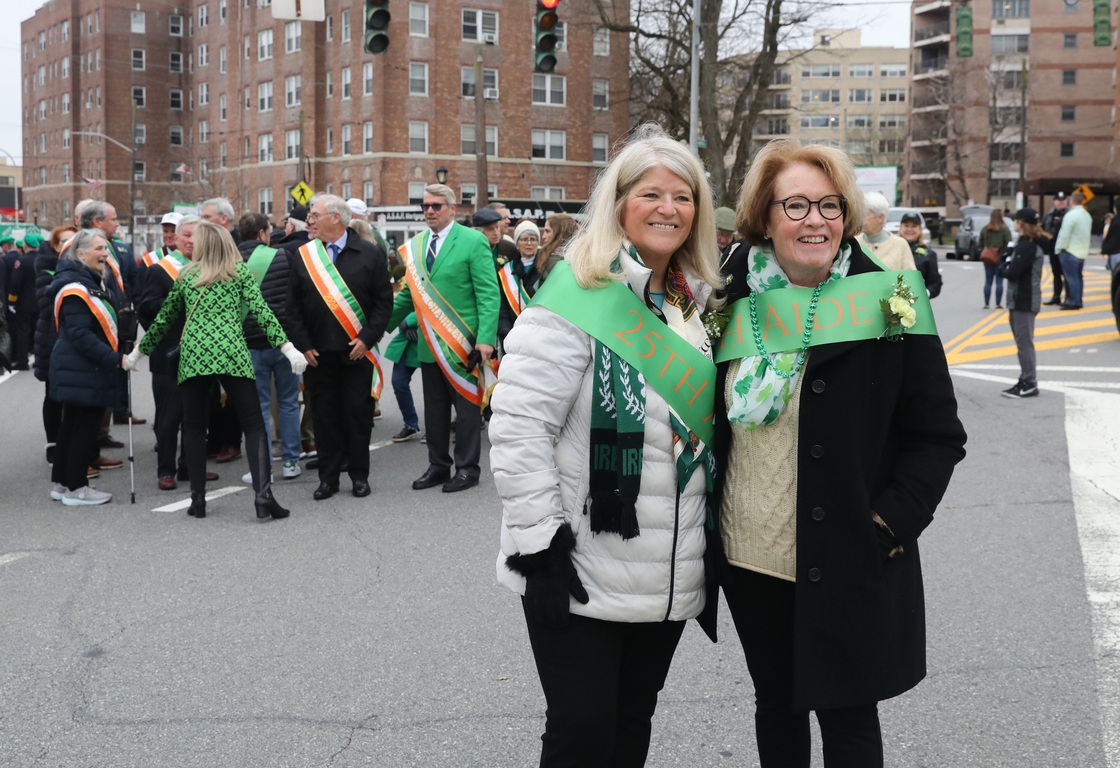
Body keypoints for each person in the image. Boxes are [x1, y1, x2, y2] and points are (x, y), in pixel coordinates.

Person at [714, 139, 967, 766]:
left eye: (829, 205)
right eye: (794, 205)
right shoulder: (724, 296)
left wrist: (886, 524)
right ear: (764, 218)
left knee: (850, 716)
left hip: (851, 549)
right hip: (749, 555)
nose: (815, 220)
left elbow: (938, 435)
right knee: (776, 704)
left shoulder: (892, 295)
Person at [490, 124, 723, 766]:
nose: (669, 209)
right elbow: (517, 426)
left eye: (683, 197)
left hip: (665, 571)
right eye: (652, 194)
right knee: (581, 736)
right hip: (580, 565)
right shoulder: (577, 295)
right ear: (618, 203)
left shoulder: (691, 305)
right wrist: (541, 546)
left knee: (630, 728)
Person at [127, 222, 306, 520]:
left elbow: (163, 321)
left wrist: (137, 353)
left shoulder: (186, 276)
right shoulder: (238, 274)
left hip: (195, 356)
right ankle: (263, 497)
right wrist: (287, 347)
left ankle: (198, 501)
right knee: (253, 425)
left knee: (195, 427)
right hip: (232, 353)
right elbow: (263, 313)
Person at [387, 183, 501, 493]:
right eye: (425, 206)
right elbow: (410, 294)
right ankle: (438, 466)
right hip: (429, 346)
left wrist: (485, 339)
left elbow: (489, 293)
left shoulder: (473, 241)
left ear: (452, 209)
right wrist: (375, 325)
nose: (429, 211)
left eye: (436, 206)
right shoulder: (417, 245)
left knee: (465, 412)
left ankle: (467, 469)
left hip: (463, 344)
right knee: (435, 412)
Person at [286, 194, 394, 500]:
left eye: (315, 216)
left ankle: (359, 476)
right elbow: (291, 308)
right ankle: (328, 479)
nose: (310, 221)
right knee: (323, 416)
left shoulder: (369, 254)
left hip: (356, 352)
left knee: (357, 416)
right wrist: (303, 345)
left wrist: (367, 339)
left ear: (336, 218)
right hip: (318, 354)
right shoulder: (304, 255)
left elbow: (383, 304)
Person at [47, 229, 127, 506]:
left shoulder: (86, 280)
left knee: (71, 425)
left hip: (81, 369)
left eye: (105, 248)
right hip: (83, 368)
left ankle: (62, 483)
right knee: (82, 428)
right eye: (98, 248)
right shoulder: (75, 288)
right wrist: (115, 359)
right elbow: (81, 335)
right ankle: (77, 487)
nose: (105, 253)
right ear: (80, 254)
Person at [237, 212, 303, 481]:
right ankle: (290, 462)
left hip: (248, 343)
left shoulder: (230, 262)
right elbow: (294, 297)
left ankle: (263, 467)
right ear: (263, 233)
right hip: (283, 341)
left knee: (259, 406)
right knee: (288, 403)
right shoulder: (282, 257)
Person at [34, 225, 79, 468]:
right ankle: (53, 445)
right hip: (51, 340)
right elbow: (45, 302)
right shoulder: (46, 268)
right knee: (53, 396)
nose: (68, 246)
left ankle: (74, 446)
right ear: (55, 246)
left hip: (72, 340)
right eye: (64, 242)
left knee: (73, 397)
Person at [998, 208, 1048, 399]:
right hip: (1019, 298)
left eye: (1016, 221)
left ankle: (1029, 382)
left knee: (1024, 342)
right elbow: (1007, 262)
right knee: (1022, 342)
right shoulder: (1024, 243)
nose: (1014, 223)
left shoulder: (1027, 246)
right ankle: (1025, 378)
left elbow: (1011, 271)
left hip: (1024, 299)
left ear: (1021, 223)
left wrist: (1003, 266)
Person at [497, 220, 543, 347]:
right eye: (524, 239)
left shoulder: (546, 268)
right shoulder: (505, 272)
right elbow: (502, 307)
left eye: (533, 239)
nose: (529, 243)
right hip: (513, 335)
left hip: (541, 335)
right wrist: (505, 331)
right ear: (517, 243)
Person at [856, 192, 916, 271]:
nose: (861, 218)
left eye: (866, 214)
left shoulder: (900, 244)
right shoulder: (854, 243)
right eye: (860, 214)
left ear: (880, 217)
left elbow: (910, 278)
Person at [1054, 190, 1092, 311]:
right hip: (1082, 251)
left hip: (1070, 250)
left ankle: (1073, 301)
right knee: (1078, 277)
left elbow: (1064, 234)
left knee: (1071, 277)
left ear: (1071, 201)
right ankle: (1078, 300)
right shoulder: (1087, 215)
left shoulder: (1071, 215)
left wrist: (1060, 248)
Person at [898, 212, 942, 298]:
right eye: (906, 225)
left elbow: (935, 283)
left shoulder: (928, 254)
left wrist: (925, 293)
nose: (909, 229)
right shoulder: (892, 249)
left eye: (914, 226)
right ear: (900, 228)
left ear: (920, 229)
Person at [979, 209, 1012, 309]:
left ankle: (987, 303)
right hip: (999, 256)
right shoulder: (1004, 229)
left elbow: (980, 241)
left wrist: (986, 248)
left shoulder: (985, 229)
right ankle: (998, 303)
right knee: (999, 280)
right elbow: (1009, 243)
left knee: (988, 280)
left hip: (987, 256)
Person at [1042, 191, 1069, 305]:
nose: (1061, 202)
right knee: (1056, 273)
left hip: (1065, 247)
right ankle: (1056, 296)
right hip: (1053, 247)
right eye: (1059, 200)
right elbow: (1044, 228)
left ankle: (1068, 297)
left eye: (1063, 200)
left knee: (1066, 274)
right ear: (1054, 202)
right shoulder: (1049, 215)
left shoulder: (1069, 214)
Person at [537, 213, 578, 284]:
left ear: (560, 233)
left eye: (547, 231)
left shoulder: (555, 260)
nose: (543, 236)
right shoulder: (581, 254)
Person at [1100, 199, 1120, 273]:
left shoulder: (1116, 221)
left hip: (1116, 253)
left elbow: (1113, 239)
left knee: (1116, 277)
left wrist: (1105, 249)